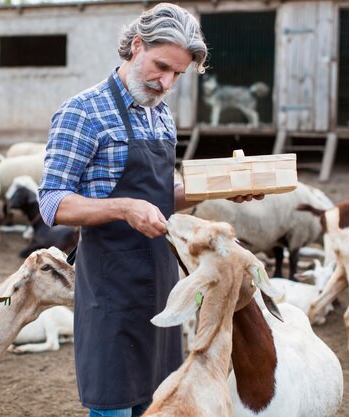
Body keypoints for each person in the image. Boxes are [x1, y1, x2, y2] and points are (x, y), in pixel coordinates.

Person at [38, 4, 262, 416]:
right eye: (161, 67)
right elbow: (52, 202)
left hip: (162, 281)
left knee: (159, 402)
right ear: (136, 46)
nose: (166, 83)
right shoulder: (82, 112)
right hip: (110, 285)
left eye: (177, 74)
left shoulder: (161, 115)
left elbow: (161, 200)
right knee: (115, 405)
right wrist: (124, 208)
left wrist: (223, 187)